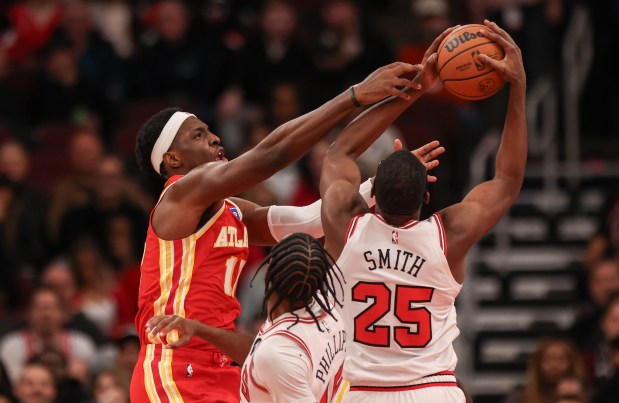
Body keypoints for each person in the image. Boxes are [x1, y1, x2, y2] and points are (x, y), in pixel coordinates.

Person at [130, 58, 428, 402]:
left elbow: (310, 222)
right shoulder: (179, 194)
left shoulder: (232, 209)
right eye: (198, 135)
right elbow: (271, 154)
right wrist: (355, 96)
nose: (214, 138)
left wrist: (385, 183)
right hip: (172, 366)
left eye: (210, 131)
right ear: (174, 160)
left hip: (220, 362)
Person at [319, 20, 526, 402]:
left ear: (372, 193)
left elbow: (339, 152)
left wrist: (416, 86)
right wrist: (518, 87)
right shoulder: (448, 234)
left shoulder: (344, 224)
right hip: (432, 391)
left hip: (361, 392)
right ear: (427, 197)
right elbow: (508, 180)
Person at [147, 233, 347, 403]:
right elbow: (258, 351)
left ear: (268, 273)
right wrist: (198, 328)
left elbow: (270, 356)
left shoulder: (277, 354)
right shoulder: (326, 306)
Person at [502, 337, 587, 403]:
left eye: (561, 360)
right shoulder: (519, 396)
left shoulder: (586, 395)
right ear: (538, 364)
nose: (554, 366)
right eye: (548, 359)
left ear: (572, 363)